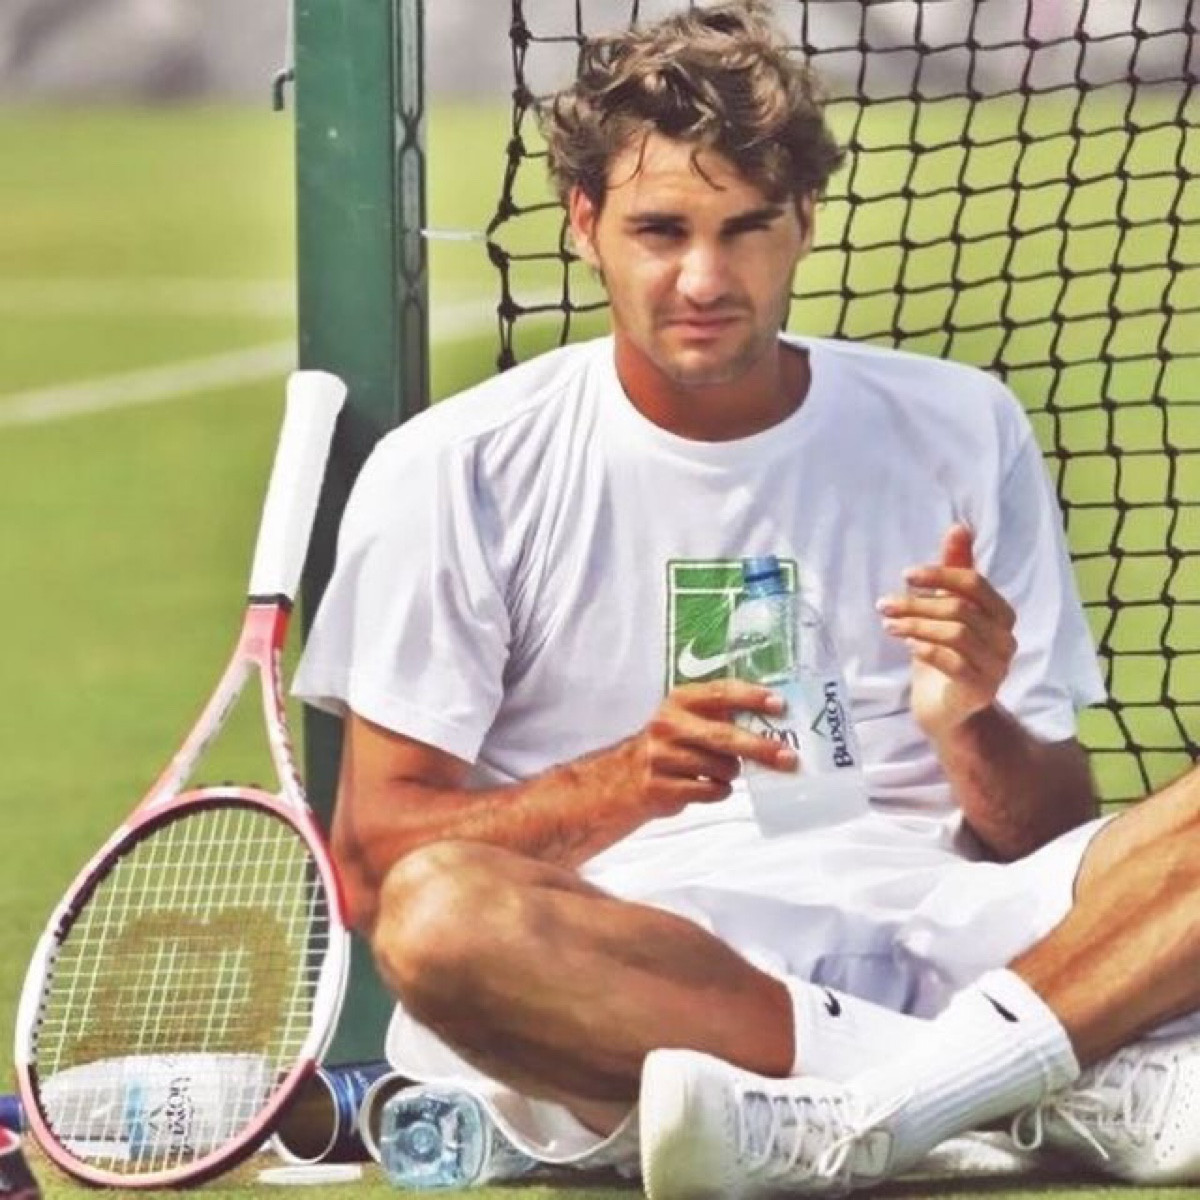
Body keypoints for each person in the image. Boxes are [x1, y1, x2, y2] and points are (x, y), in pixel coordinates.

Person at [294, 1, 1200, 1192]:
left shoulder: (959, 423)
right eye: (660, 230)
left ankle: (879, 1108)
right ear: (584, 223)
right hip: (656, 977)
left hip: (959, 938)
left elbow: (1048, 836)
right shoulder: (457, 469)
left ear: (805, 220)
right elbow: (374, 867)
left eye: (748, 227)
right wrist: (626, 778)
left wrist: (970, 722)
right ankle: (1032, 1084)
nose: (705, 278)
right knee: (437, 919)